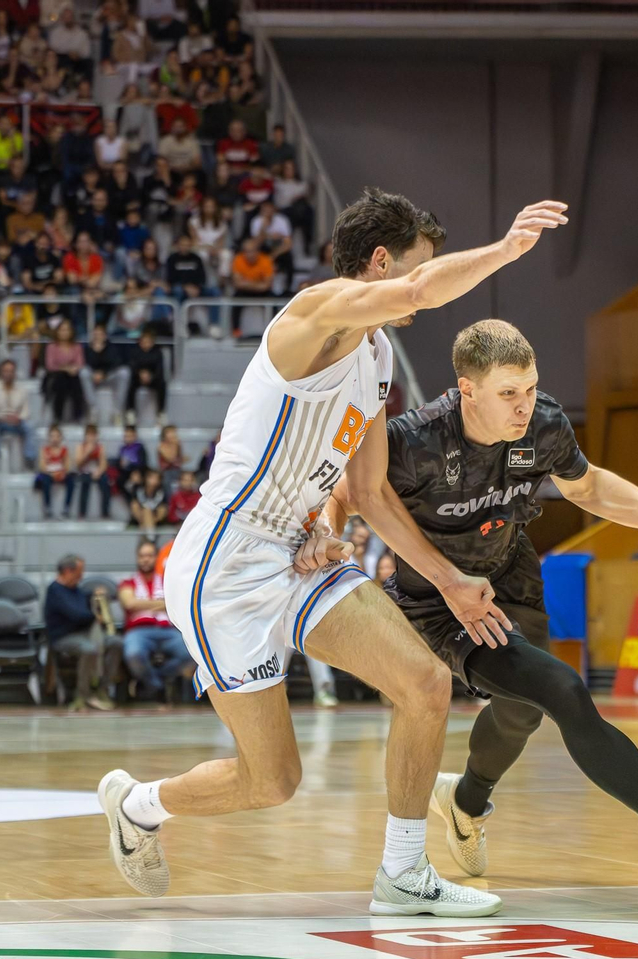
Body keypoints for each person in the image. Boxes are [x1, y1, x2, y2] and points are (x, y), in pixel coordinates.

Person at [99, 190, 569, 917]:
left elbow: (370, 493)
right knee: (272, 781)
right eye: (418, 263)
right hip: (224, 564)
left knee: (425, 684)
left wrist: (445, 577)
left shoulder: (378, 359)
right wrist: (506, 250)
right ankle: (138, 806)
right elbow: (416, 291)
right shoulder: (313, 313)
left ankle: (403, 873)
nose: (424, 284)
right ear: (380, 262)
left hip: (298, 553)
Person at [328, 319, 638, 885]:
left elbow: (591, 487)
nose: (524, 405)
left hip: (511, 573)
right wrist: (329, 541)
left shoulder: (544, 424)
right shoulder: (415, 440)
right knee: (562, 689)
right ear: (467, 390)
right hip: (439, 600)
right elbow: (345, 494)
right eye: (508, 392)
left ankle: (465, 803)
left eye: (530, 388)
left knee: (523, 710)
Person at [119, 540, 196, 705]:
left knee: (192, 654)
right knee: (133, 653)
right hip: (139, 631)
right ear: (137, 558)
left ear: (156, 557)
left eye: (149, 555)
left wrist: (143, 603)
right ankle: (159, 687)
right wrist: (161, 603)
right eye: (142, 556)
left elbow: (178, 603)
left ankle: (154, 682)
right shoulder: (128, 582)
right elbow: (130, 603)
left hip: (168, 630)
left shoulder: (167, 581)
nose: (145, 559)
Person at [45, 554, 120, 711]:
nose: (81, 576)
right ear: (68, 571)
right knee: (89, 648)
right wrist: (96, 617)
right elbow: (77, 615)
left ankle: (102, 690)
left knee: (115, 643)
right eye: (79, 572)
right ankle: (82, 695)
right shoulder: (55, 591)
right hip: (64, 637)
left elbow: (83, 598)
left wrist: (97, 594)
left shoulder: (75, 589)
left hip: (85, 634)